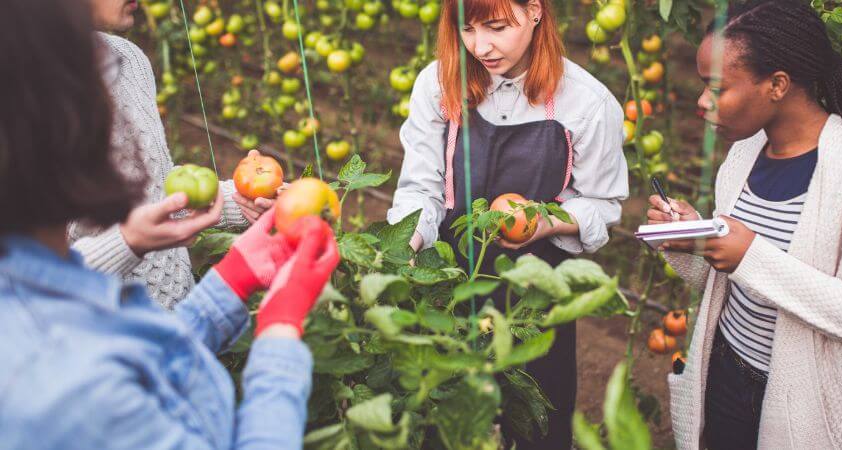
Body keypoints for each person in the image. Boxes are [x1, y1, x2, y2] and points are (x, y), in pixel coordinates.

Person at [0, 1, 340, 448]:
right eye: (92, 78)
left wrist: (228, 287)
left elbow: (136, 363)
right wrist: (279, 333)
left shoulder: (37, 289)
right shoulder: (64, 386)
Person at [646, 1, 842, 448]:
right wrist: (696, 241)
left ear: (777, 84)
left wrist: (751, 256)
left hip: (805, 402)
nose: (701, 100)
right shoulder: (744, 155)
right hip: (724, 369)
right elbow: (728, 282)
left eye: (716, 87)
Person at [386, 0, 628, 447]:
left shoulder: (588, 102)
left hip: (535, 297)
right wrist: (407, 244)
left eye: (496, 26)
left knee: (540, 421)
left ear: (535, 11)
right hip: (453, 281)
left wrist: (547, 223)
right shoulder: (438, 84)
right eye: (468, 29)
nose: (481, 46)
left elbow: (603, 204)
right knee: (442, 416)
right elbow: (422, 188)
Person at [69, 0, 275, 309]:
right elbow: (24, 283)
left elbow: (152, 191)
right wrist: (129, 242)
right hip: (99, 343)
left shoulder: (129, 61)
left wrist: (239, 199)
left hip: (177, 326)